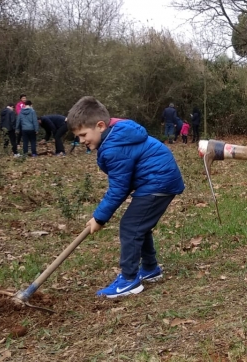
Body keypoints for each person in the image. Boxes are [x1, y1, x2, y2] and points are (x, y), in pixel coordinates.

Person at [67, 96, 185, 298]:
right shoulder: (116, 136)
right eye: (78, 136)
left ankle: (129, 280)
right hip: (157, 179)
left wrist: (99, 217)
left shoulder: (114, 147)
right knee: (139, 225)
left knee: (131, 226)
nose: (81, 141)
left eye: (84, 134)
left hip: (158, 181)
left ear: (101, 125)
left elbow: (119, 188)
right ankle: (150, 269)